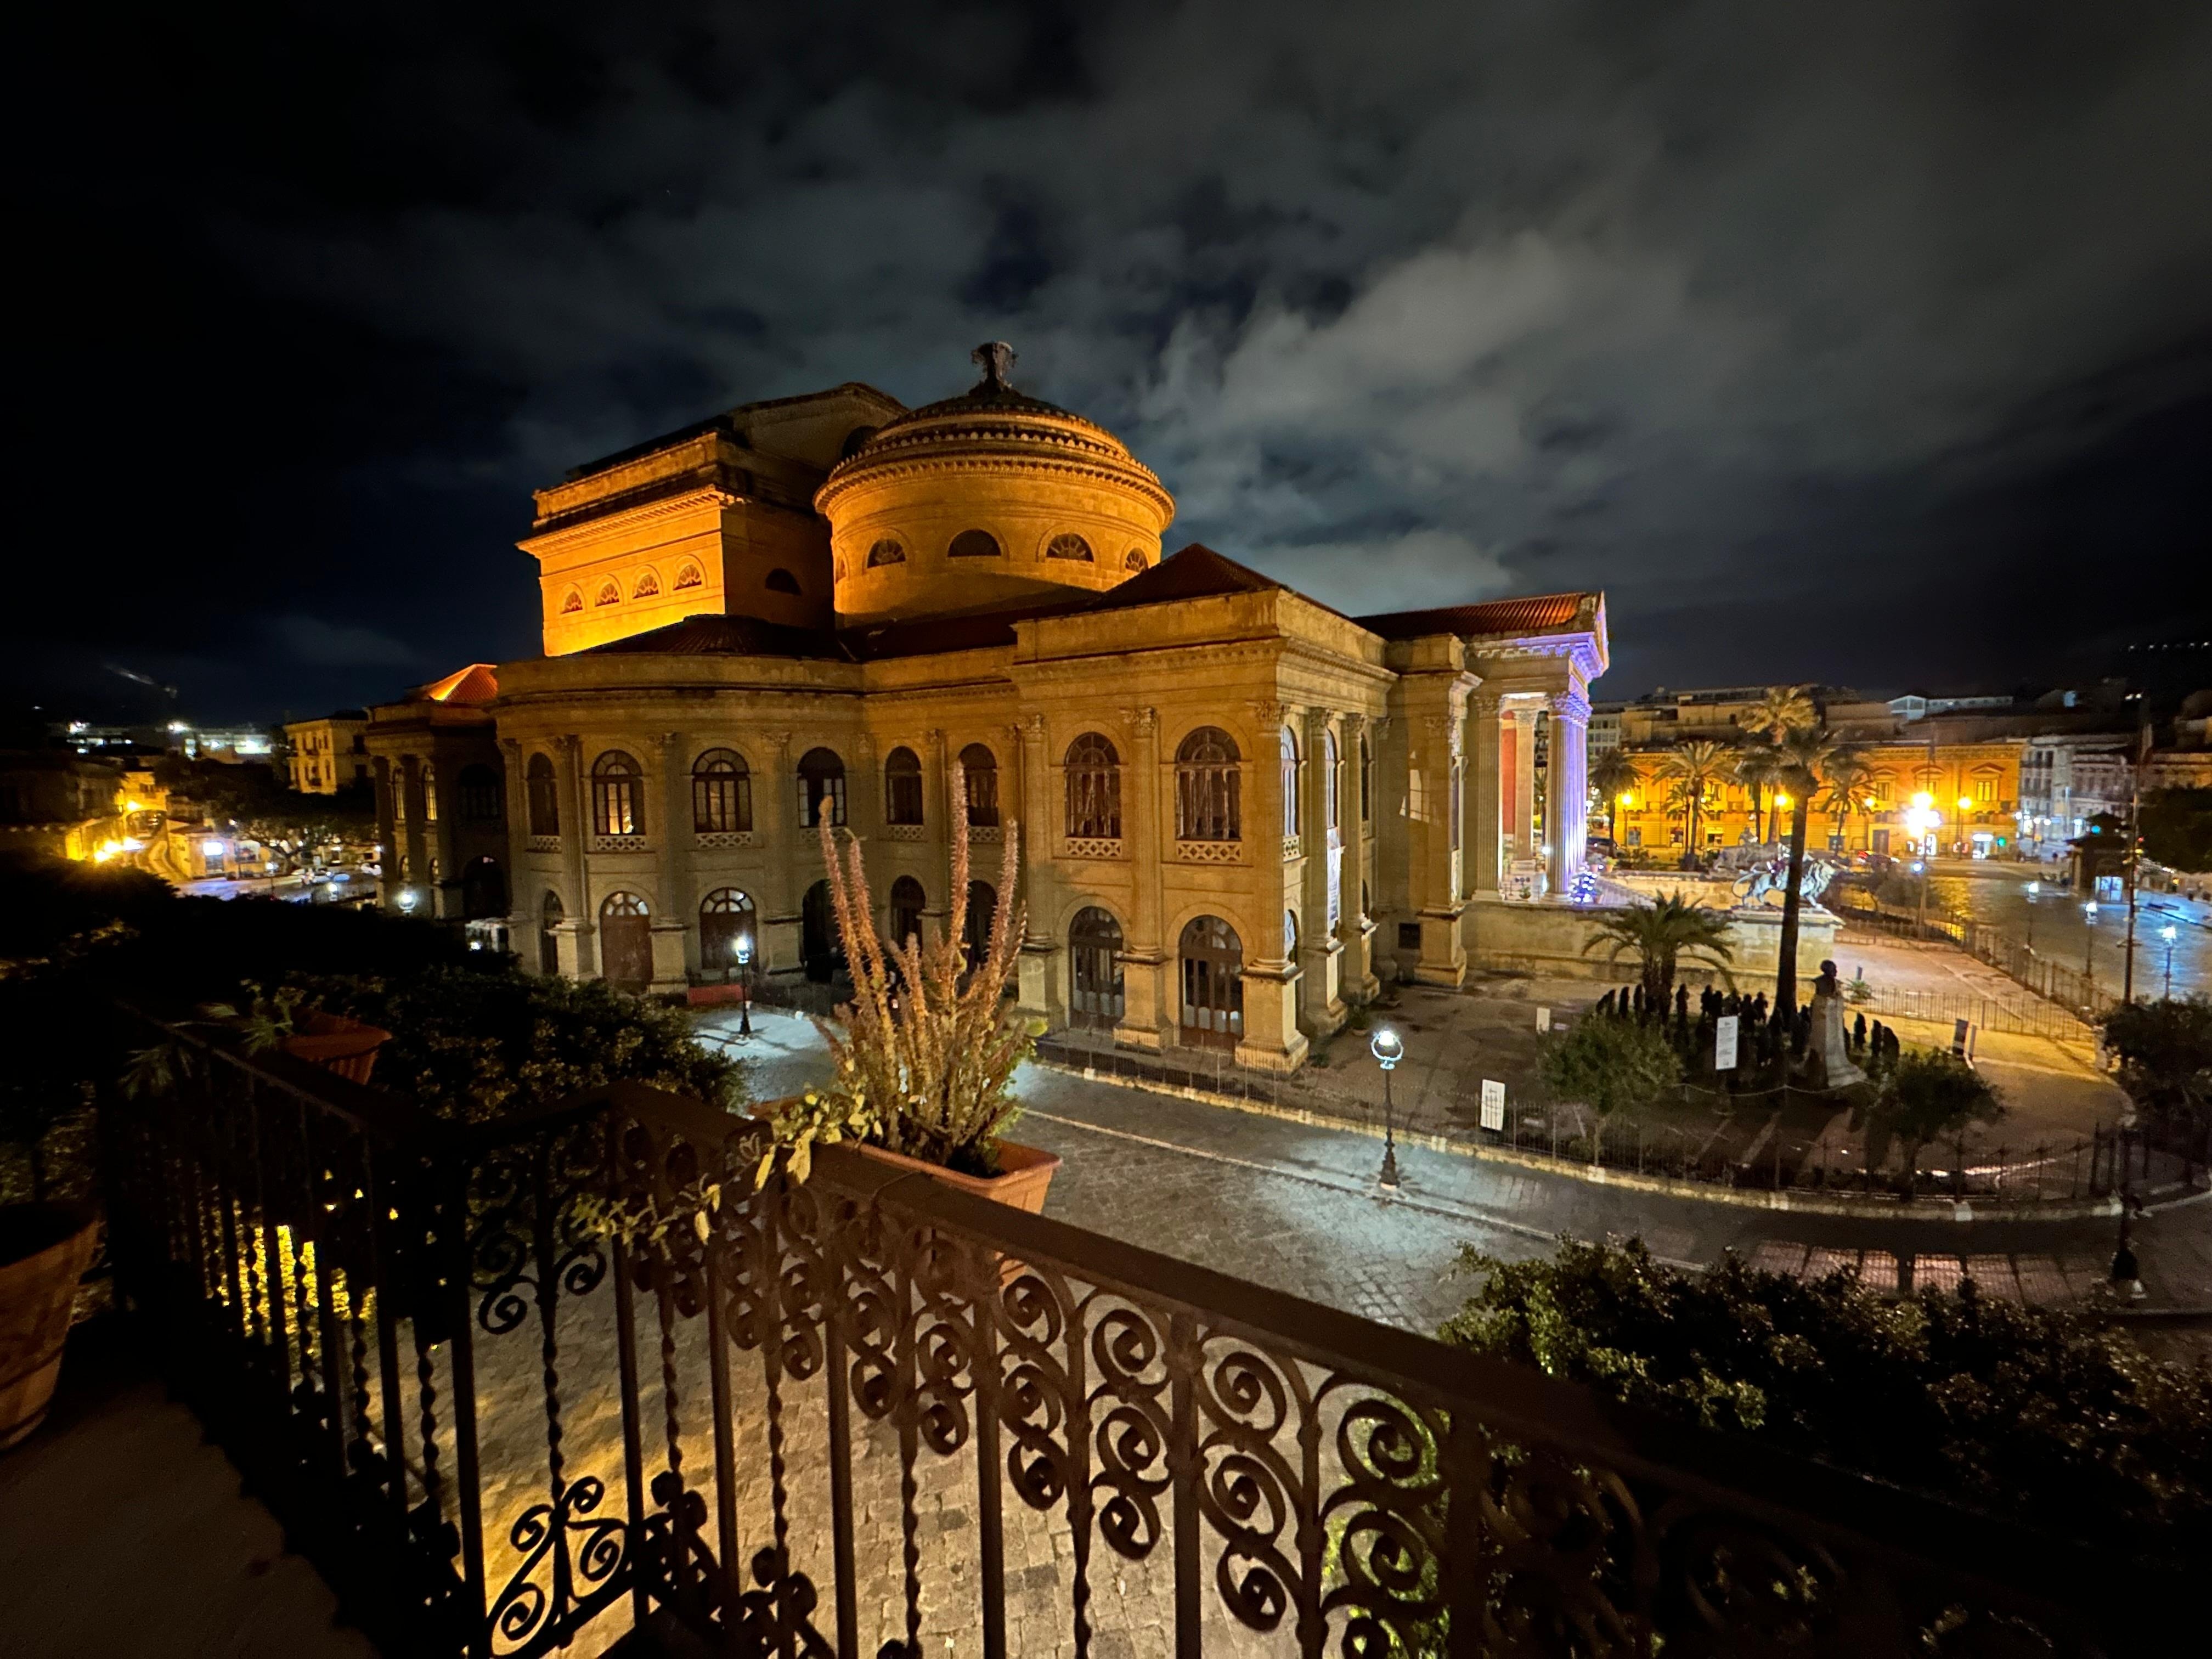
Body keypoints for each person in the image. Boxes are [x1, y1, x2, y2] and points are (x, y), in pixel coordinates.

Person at [1804, 959, 1867, 1090]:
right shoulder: (1819, 982)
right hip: (1822, 1023)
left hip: (1832, 1024)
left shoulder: (1837, 984)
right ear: (1827, 970)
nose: (1837, 971)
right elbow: (1820, 1004)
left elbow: (1838, 1001)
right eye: (1834, 969)